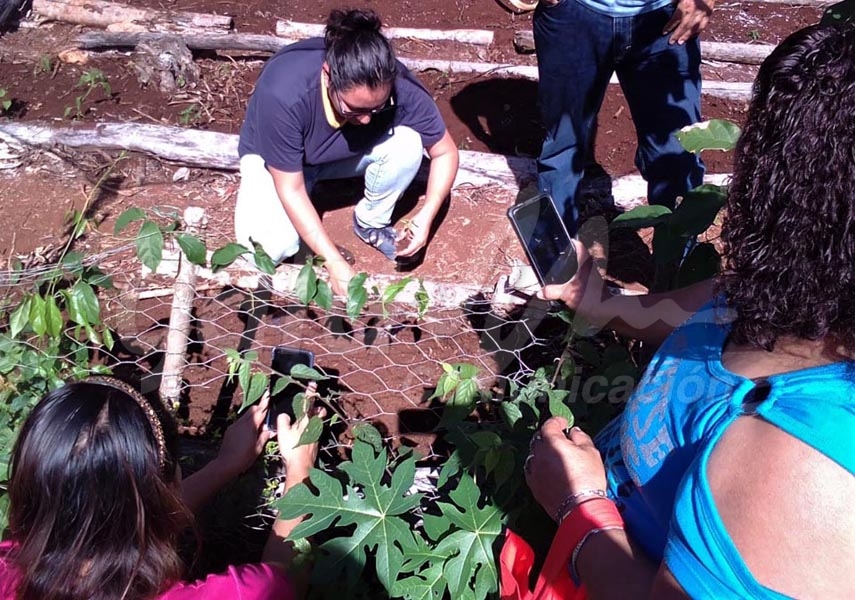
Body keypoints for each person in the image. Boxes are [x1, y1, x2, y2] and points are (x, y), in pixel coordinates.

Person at [523, 24, 855, 598]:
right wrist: (594, 299)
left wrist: (578, 509)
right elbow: (673, 315)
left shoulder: (804, 461)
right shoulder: (778, 299)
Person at [0, 376, 324, 600]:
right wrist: (300, 469)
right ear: (171, 480)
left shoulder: (8, 568)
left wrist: (225, 464)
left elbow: (117, 518)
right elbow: (283, 583)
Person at [235, 8, 459, 296]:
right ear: (328, 75)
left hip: (332, 155)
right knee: (265, 251)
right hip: (275, 161)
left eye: (376, 108)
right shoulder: (284, 93)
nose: (366, 119)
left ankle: (371, 223)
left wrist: (427, 214)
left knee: (408, 144)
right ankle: (306, 244)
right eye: (354, 108)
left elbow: (445, 153)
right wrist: (334, 261)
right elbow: (290, 187)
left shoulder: (398, 87)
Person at [531, 0, 710, 236]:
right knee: (562, 147)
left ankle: (676, 266)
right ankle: (555, 261)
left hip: (666, 23)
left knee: (678, 154)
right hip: (575, 17)